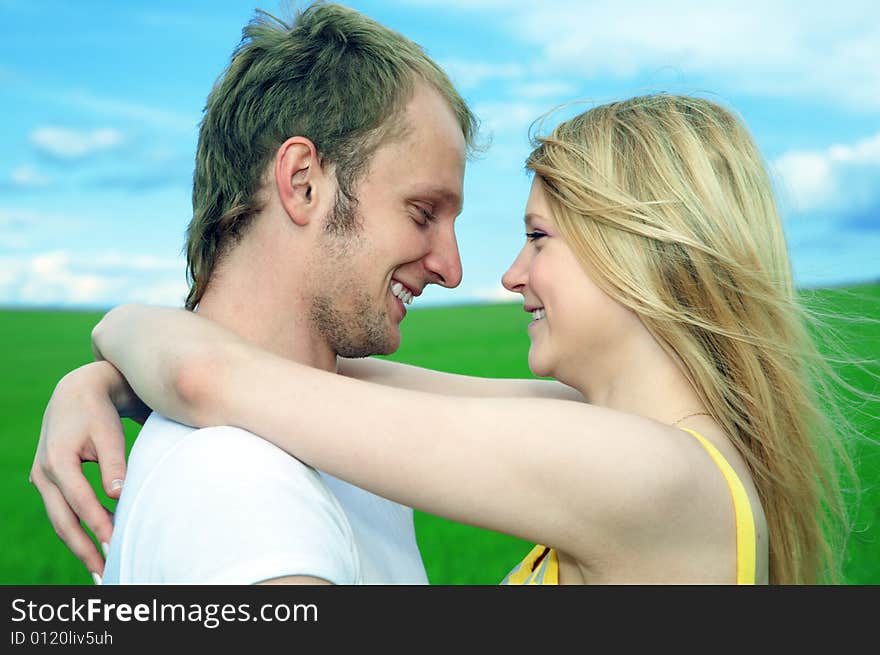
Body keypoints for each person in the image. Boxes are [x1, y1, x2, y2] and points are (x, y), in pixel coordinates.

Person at [34, 93, 857, 584]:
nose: (507, 275)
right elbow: (314, 376)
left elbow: (218, 378)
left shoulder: (652, 474)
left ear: (637, 250)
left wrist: (114, 326)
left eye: (539, 237)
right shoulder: (627, 437)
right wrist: (101, 382)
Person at [29, 1, 495, 585]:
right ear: (302, 184)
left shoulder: (331, 429)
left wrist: (111, 367)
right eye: (423, 212)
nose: (452, 269)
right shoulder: (238, 488)